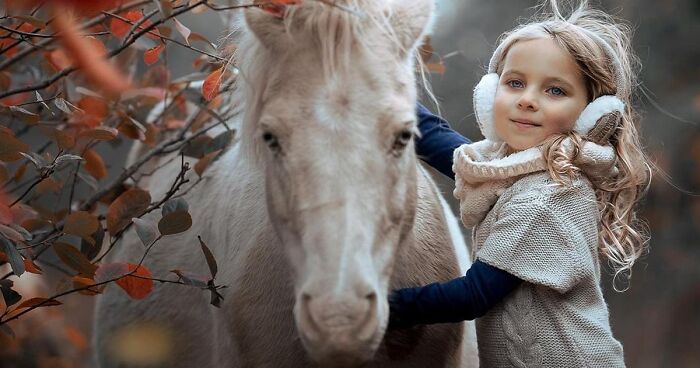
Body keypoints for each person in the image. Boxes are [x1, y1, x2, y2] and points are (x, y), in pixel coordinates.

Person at [399, 1, 651, 366]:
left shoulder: (549, 196)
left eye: (555, 91)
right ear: (490, 94)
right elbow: (449, 148)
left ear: (591, 116)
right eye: (515, 83)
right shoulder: (518, 170)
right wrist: (390, 94)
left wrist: (383, 310)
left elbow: (474, 295)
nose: (528, 100)